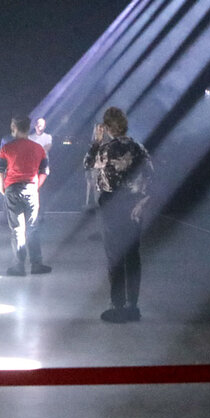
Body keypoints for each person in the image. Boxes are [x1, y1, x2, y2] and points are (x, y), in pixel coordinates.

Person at [84, 106, 153, 323]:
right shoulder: (139, 148)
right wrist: (143, 202)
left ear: (106, 127)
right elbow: (151, 175)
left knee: (115, 256)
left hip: (112, 205)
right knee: (133, 255)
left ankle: (117, 305)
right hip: (134, 205)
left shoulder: (106, 149)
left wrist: (96, 141)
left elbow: (88, 163)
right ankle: (133, 306)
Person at [0, 115, 51, 276]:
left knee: (17, 230)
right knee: (33, 228)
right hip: (31, 189)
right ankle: (36, 264)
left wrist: (2, 189)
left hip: (12, 189)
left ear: (14, 127)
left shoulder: (7, 148)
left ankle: (19, 265)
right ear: (29, 128)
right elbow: (45, 171)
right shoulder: (38, 148)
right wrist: (36, 186)